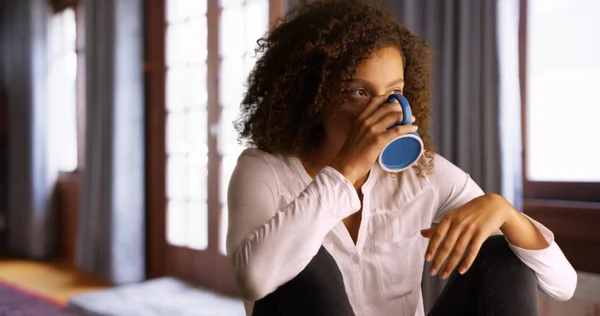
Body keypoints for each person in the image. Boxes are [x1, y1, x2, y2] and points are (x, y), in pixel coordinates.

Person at [226, 0, 577, 315]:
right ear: (312, 97)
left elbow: (564, 286)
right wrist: (346, 169)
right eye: (359, 92)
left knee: (504, 255)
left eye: (394, 92)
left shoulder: (423, 175)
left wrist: (505, 212)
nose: (385, 110)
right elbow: (254, 282)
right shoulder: (262, 170)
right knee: (301, 255)